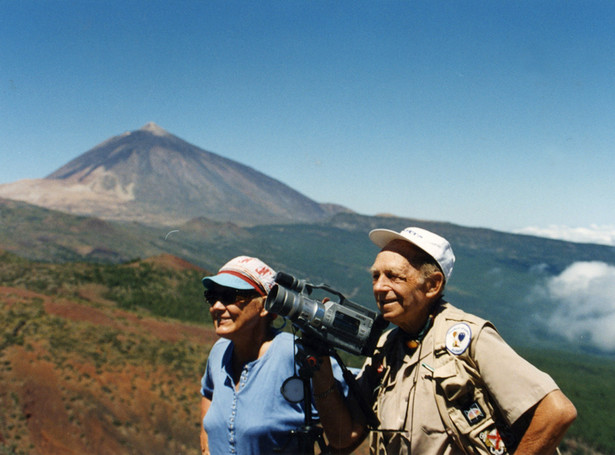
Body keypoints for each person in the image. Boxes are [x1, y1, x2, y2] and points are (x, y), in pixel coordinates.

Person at [310, 227, 577, 454]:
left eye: (393, 276)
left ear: (432, 285)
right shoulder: (383, 350)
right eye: (375, 275)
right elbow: (345, 437)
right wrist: (319, 361)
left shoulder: (470, 338)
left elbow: (556, 412)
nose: (379, 287)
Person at [199, 255, 346, 455]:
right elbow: (208, 393)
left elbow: (350, 408)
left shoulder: (293, 353)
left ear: (265, 306)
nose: (216, 306)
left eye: (230, 296)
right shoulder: (219, 352)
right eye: (212, 296)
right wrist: (206, 445)